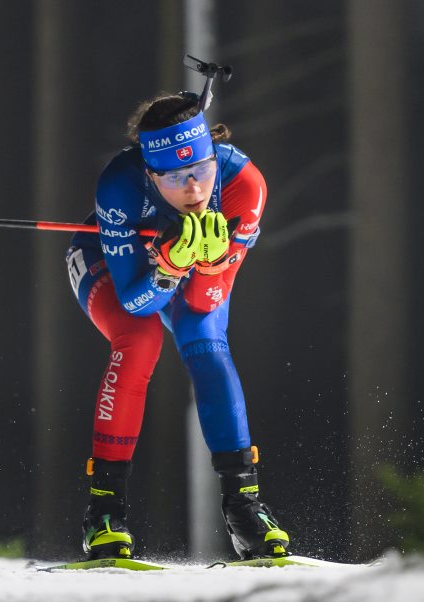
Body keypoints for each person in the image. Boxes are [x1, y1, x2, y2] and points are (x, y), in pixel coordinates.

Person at [65, 92, 290, 561]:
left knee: (205, 340)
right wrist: (167, 267)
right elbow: (137, 302)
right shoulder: (119, 186)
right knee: (139, 340)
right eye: (175, 178)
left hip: (188, 270)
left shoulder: (244, 185)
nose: (194, 190)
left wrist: (207, 266)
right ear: (149, 173)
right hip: (109, 260)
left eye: (202, 171)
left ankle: (245, 508)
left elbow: (207, 301)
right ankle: (105, 511)